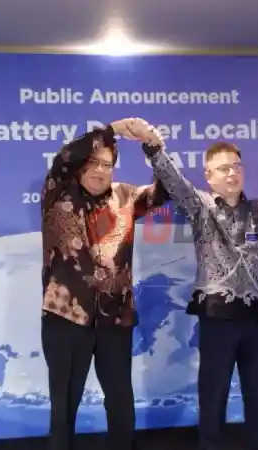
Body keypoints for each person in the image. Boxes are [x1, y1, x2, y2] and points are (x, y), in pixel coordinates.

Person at [116, 118, 258, 450]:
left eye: (236, 166)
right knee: (213, 396)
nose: (232, 173)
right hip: (217, 317)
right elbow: (174, 182)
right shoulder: (201, 207)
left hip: (255, 319)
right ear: (209, 176)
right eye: (223, 169)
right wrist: (153, 147)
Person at [40, 120, 168, 450]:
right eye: (93, 163)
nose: (100, 170)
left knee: (121, 402)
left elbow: (166, 189)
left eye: (107, 164)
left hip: (115, 319)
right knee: (64, 407)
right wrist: (112, 129)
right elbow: (65, 157)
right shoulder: (57, 193)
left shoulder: (127, 196)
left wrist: (154, 148)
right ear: (81, 166)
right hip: (66, 318)